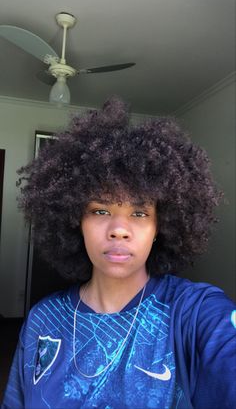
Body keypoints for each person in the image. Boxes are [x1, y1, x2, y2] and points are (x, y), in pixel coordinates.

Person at [1, 96, 235, 409]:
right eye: (100, 210)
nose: (119, 229)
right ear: (75, 221)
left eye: (139, 213)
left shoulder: (194, 313)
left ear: (159, 228)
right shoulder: (43, 318)